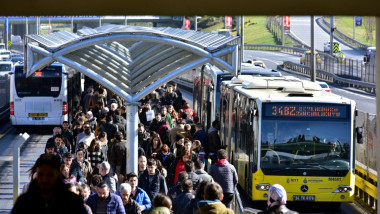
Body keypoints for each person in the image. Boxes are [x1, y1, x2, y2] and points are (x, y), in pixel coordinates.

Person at [12, 154, 87, 214]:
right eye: (41, 174)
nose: (45, 179)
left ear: (57, 174)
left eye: (49, 175)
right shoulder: (24, 202)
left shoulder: (73, 202)